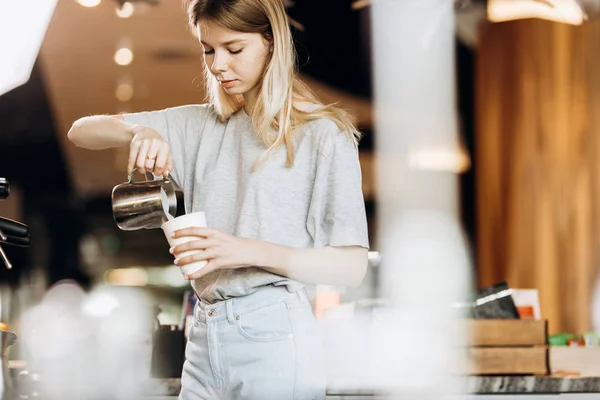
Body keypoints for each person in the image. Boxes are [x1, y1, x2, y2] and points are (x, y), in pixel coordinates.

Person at [67, 0, 369, 398]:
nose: (217, 65)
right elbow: (81, 131)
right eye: (208, 50)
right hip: (204, 335)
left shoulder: (322, 135)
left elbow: (351, 265)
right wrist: (138, 133)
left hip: (274, 335)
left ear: (272, 43)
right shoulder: (199, 125)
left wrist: (243, 250)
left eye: (234, 49)